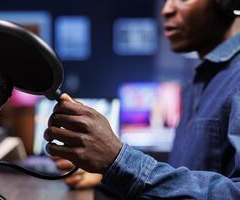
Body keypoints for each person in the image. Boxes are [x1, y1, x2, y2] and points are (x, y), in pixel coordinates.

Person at [44, 0, 240, 198]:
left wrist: (118, 161)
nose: (166, 10)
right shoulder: (200, 80)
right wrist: (109, 173)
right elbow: (185, 180)